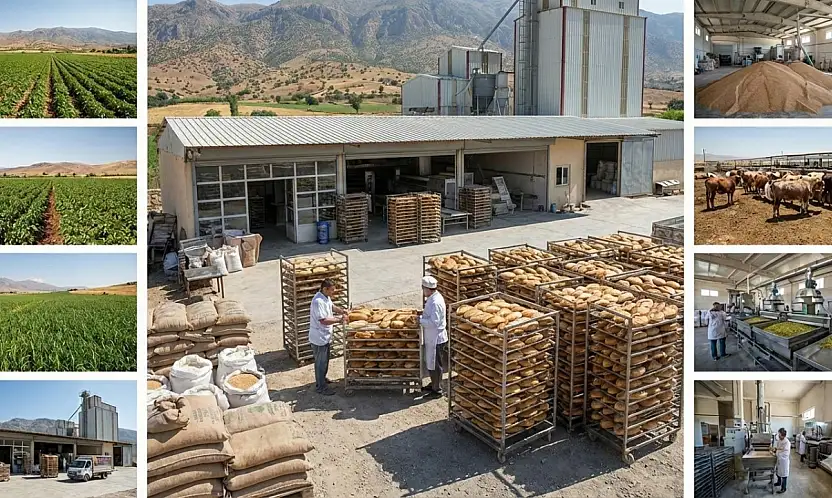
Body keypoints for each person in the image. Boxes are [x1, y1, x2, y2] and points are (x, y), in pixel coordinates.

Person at [309, 278, 346, 396]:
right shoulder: (317, 302)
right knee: (320, 363)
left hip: (325, 336)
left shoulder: (325, 297)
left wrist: (341, 311)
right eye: (331, 291)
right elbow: (323, 320)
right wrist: (339, 320)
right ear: (325, 289)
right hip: (319, 337)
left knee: (324, 362)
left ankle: (322, 379)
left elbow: (331, 306)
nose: (333, 293)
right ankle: (321, 387)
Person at [420, 276, 448, 399]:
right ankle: (433, 384)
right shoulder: (433, 298)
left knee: (436, 365)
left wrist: (419, 320)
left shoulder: (436, 302)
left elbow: (434, 322)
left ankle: (437, 390)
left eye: (423, 288)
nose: (423, 291)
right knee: (431, 362)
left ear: (427, 289)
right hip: (431, 336)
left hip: (436, 338)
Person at [773, 428, 791, 494]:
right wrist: (775, 450)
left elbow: (786, 453)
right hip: (779, 460)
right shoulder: (780, 440)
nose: (778, 436)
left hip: (783, 461)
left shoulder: (787, 442)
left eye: (779, 434)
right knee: (778, 472)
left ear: (783, 435)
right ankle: (778, 482)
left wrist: (777, 453)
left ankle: (783, 488)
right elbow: (778, 448)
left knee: (784, 475)